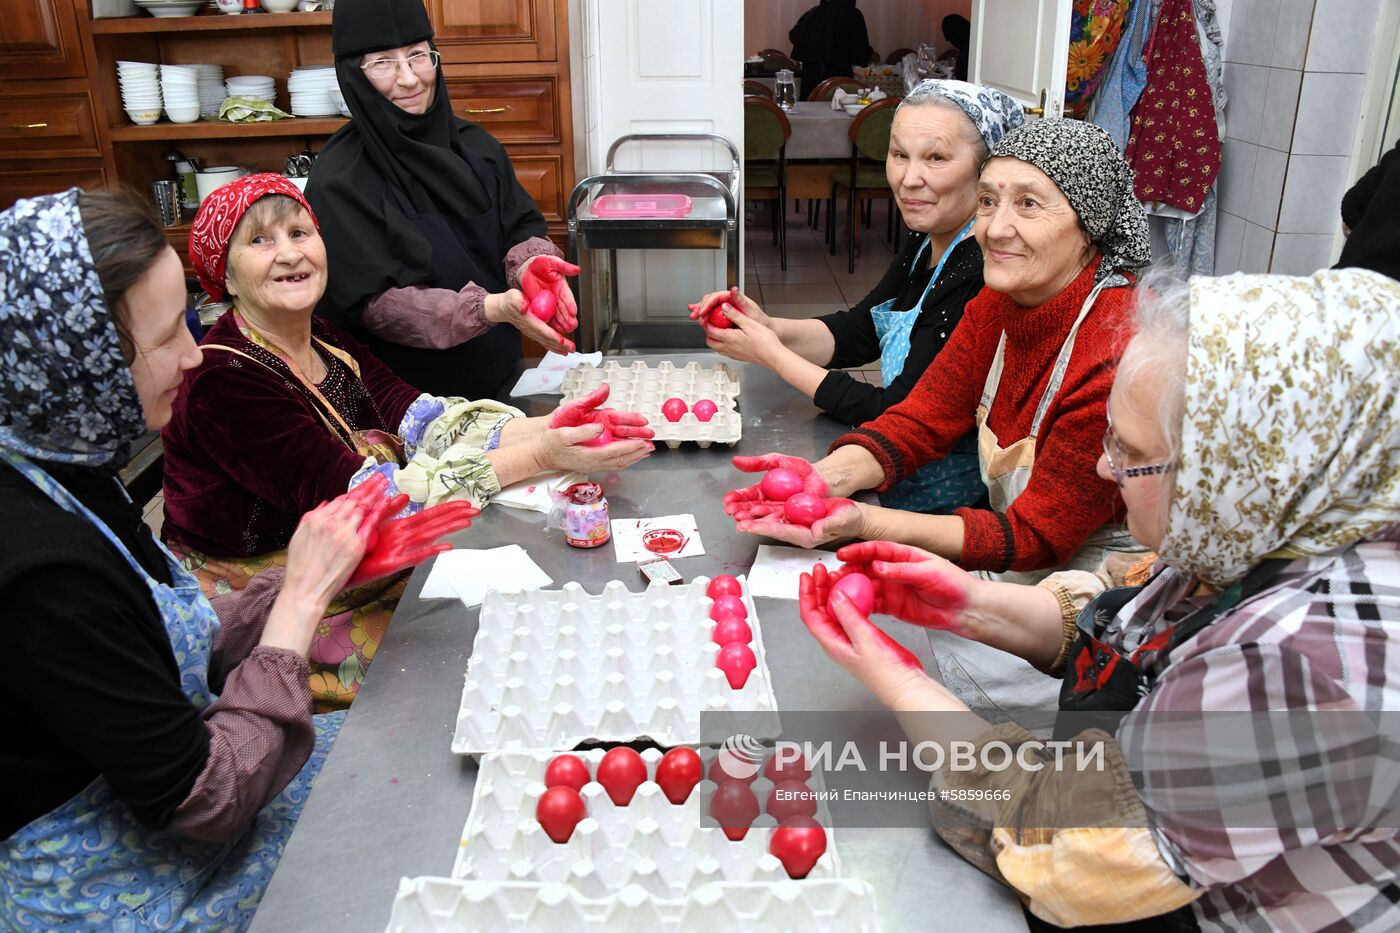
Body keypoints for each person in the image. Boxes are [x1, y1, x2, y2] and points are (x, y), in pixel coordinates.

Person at [797, 268, 1400, 931]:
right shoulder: (1289, 523)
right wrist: (964, 604)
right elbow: (1146, 603)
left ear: (1247, 471)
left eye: (1134, 454)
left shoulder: (1303, 666)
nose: (1104, 469)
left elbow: (1065, 848)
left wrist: (901, 681)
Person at [0, 188, 476, 929]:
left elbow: (162, 643)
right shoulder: (40, 568)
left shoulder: (72, 469)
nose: (191, 354)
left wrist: (307, 577)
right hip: (130, 883)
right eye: (167, 336)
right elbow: (205, 795)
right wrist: (295, 606)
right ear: (80, 365)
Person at [162, 174, 652, 707]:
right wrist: (538, 455)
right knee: (470, 666)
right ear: (225, 275)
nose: (287, 253)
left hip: (357, 565)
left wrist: (550, 426)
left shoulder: (323, 339)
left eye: (299, 232)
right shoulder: (224, 380)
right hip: (272, 600)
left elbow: (424, 421)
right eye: (260, 241)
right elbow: (372, 508)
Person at [727, 119, 1153, 582]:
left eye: (1028, 204)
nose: (996, 229)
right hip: (1014, 558)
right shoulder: (999, 304)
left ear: (1089, 228)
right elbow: (922, 416)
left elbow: (1037, 538)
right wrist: (828, 475)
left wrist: (864, 522)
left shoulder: (1113, 351)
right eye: (988, 201)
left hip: (1095, 584)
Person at [692, 80, 1024, 514]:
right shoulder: (929, 238)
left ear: (986, 173)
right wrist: (771, 327)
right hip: (888, 460)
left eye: (936, 157)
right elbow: (860, 330)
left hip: (940, 492)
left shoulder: (976, 268)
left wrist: (773, 355)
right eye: (899, 154)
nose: (909, 179)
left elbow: (897, 410)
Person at [306, 0, 578, 398]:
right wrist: (491, 308)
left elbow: (519, 224)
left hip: (501, 384)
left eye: (417, 55)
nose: (410, 79)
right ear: (353, 76)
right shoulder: (339, 180)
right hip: (403, 407)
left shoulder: (477, 147)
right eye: (383, 63)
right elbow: (380, 309)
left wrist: (532, 264)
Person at [788, 0, 874, 100]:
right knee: (840, 109)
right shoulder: (853, 14)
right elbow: (861, 52)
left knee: (811, 109)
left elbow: (795, 36)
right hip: (841, 76)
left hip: (812, 76)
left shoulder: (813, 13)